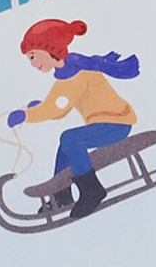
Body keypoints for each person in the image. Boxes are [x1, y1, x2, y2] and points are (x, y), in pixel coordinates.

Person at [7, 18, 139, 218]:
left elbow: (55, 108)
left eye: (33, 56)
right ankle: (62, 195)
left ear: (49, 48)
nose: (32, 64)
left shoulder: (74, 73)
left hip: (116, 124)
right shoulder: (69, 70)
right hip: (107, 124)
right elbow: (60, 108)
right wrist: (38, 107)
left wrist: (26, 115)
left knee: (70, 138)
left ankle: (92, 190)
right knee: (66, 147)